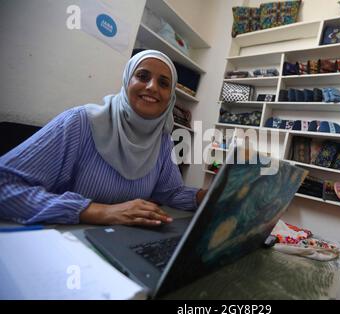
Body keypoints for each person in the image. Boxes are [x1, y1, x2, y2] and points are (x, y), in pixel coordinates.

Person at [0, 50, 207, 227]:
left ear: (170, 98)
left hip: (117, 243)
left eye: (163, 83)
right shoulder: (79, 123)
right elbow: (4, 185)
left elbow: (170, 192)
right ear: (127, 82)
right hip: (63, 241)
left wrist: (204, 196)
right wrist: (100, 212)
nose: (152, 87)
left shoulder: (162, 141)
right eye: (143, 76)